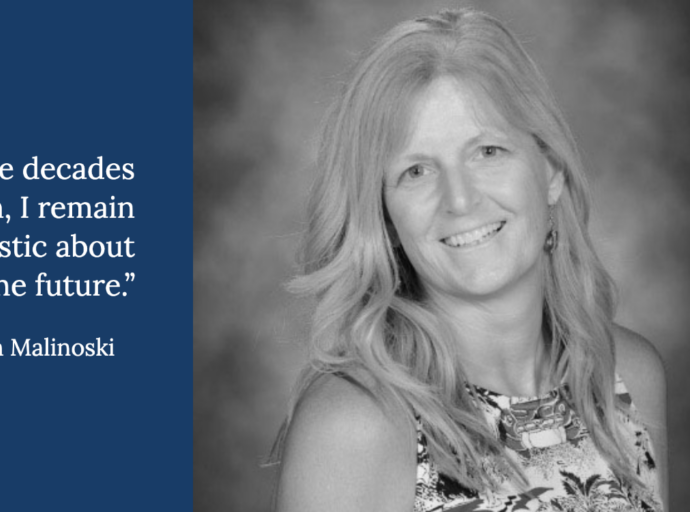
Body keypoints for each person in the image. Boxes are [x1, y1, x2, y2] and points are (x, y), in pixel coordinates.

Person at [273, 9, 668, 512]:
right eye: (416, 170)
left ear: (551, 171)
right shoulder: (355, 425)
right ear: (386, 219)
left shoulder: (629, 374)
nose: (459, 200)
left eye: (488, 151)